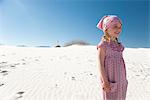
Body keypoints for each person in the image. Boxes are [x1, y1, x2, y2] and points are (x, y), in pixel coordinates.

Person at [96, 15, 128, 100]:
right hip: (110, 82)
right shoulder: (103, 45)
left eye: (120, 27)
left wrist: (124, 80)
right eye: (115, 27)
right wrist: (105, 82)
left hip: (121, 82)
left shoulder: (119, 46)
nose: (118, 29)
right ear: (106, 28)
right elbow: (100, 64)